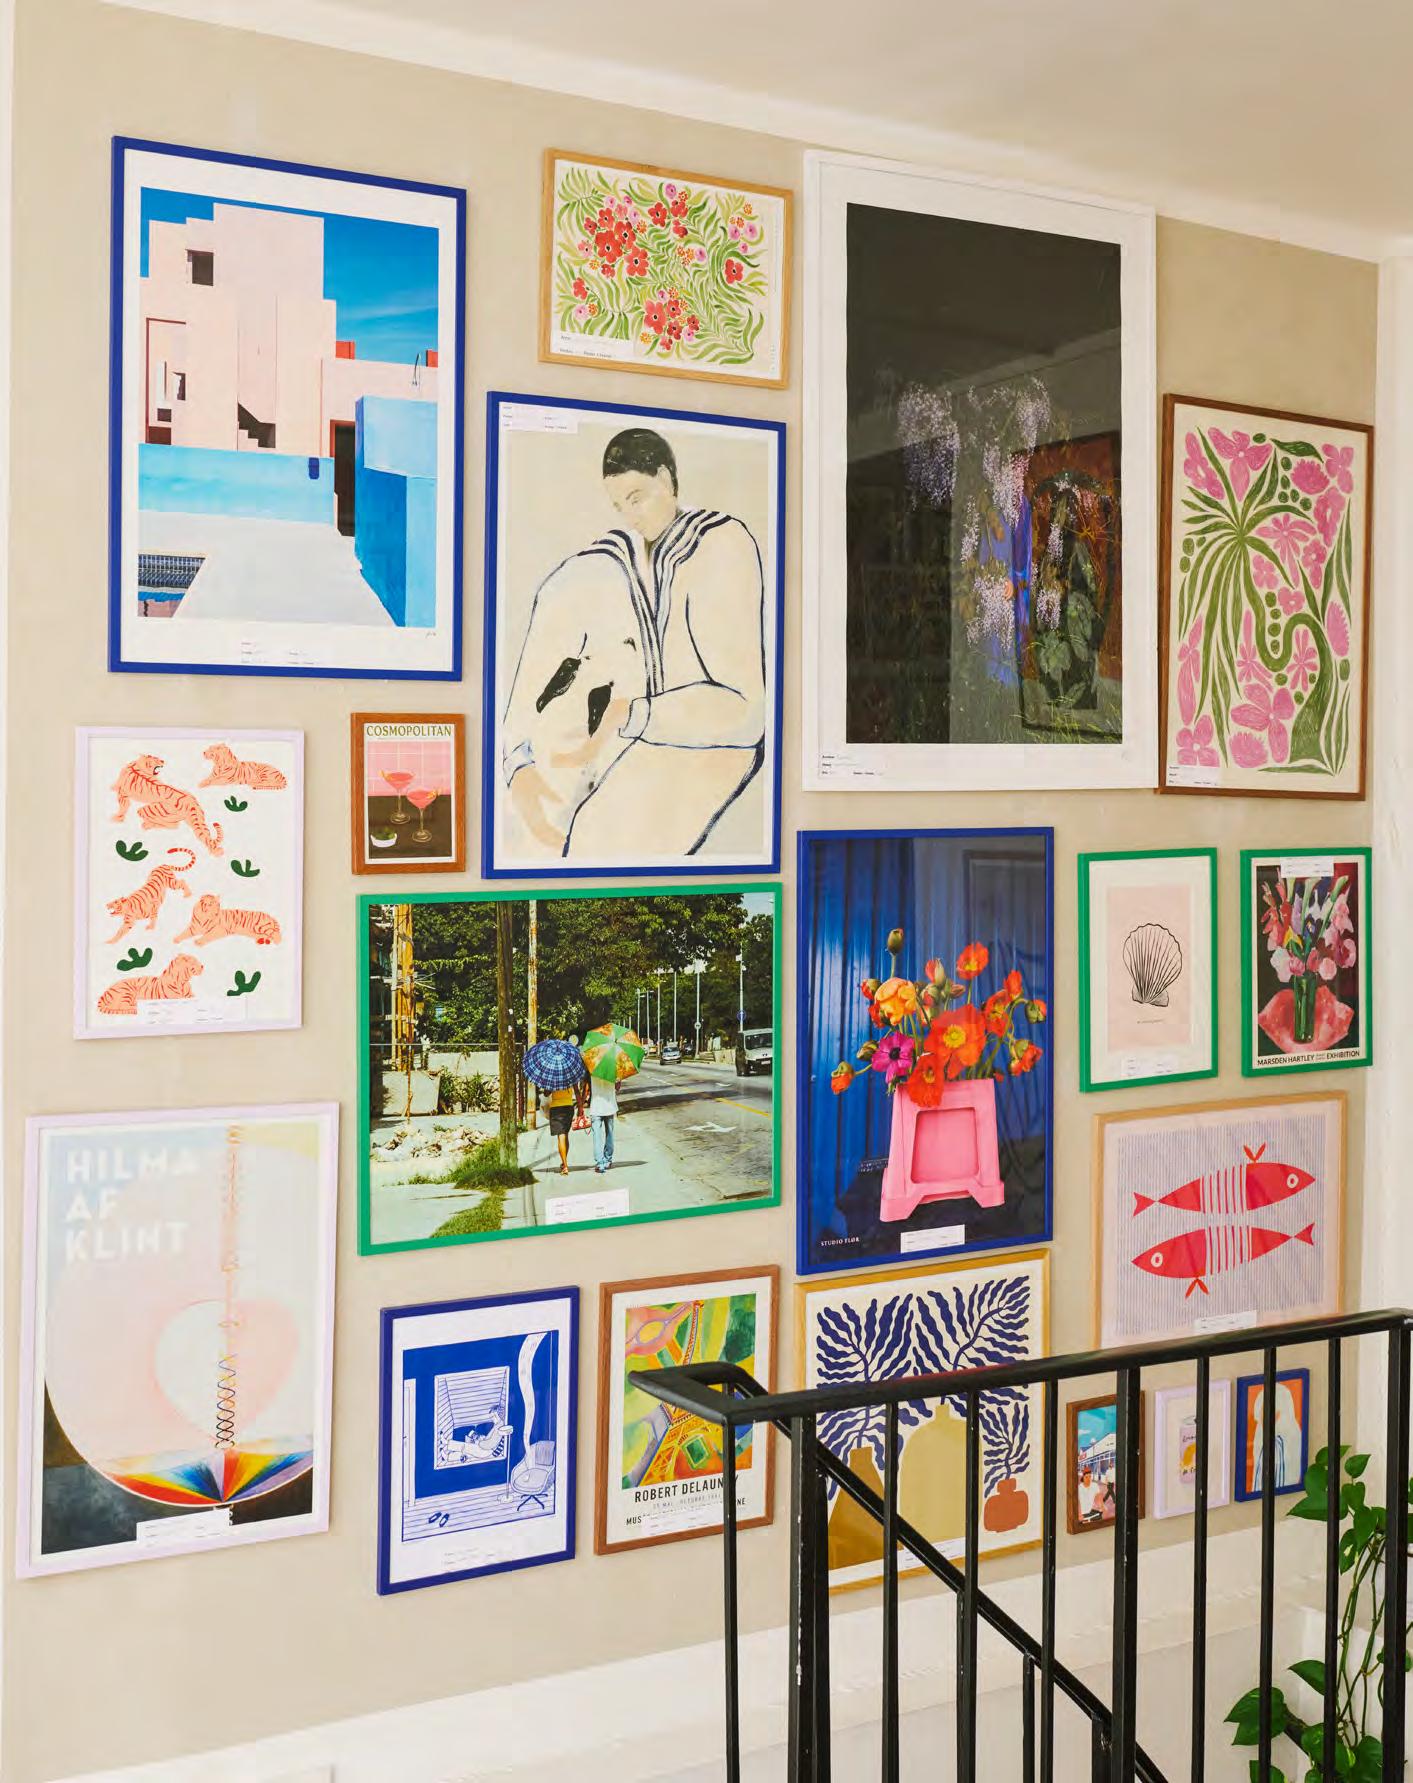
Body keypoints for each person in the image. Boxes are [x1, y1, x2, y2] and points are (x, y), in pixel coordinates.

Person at [500, 427, 767, 863]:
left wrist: (632, 713)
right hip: (639, 739)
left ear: (666, 477)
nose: (631, 516)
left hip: (706, 747)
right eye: (620, 505)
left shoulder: (719, 543)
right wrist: (518, 761)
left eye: (637, 498)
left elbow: (746, 712)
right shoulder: (615, 561)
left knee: (596, 843)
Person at [590, 1070, 618, 1175]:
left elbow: (587, 1087)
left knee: (597, 1135)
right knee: (609, 1133)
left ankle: (600, 1163)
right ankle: (608, 1160)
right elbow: (617, 1087)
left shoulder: (592, 1067)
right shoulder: (613, 1068)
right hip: (609, 1105)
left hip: (596, 1106)